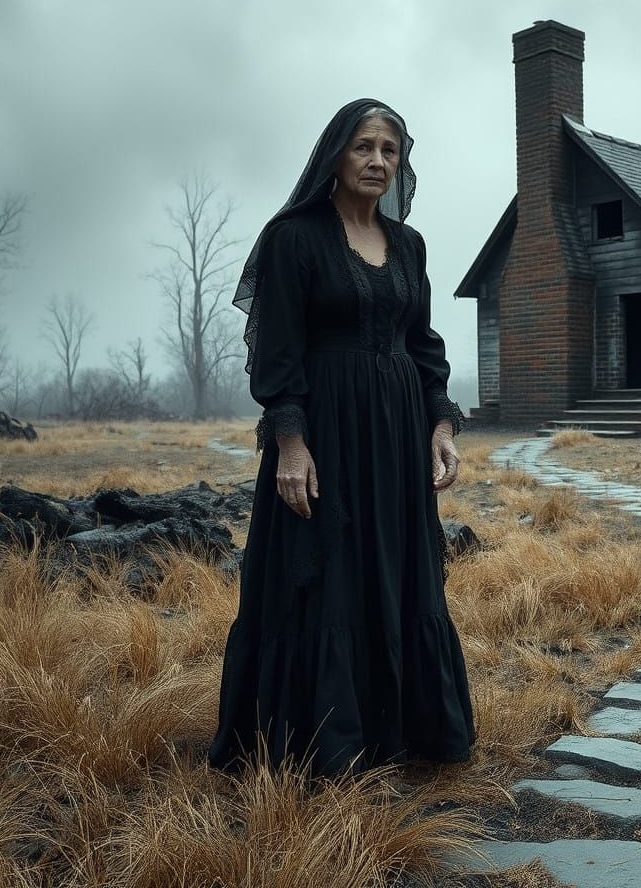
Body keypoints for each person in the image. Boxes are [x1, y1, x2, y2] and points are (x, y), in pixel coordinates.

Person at [207, 98, 477, 780]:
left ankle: (404, 730)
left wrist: (440, 423)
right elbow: (278, 356)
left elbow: (423, 345)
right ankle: (326, 742)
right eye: (365, 146)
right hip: (325, 434)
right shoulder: (294, 238)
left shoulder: (409, 245)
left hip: (396, 440)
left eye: (391, 149)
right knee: (325, 574)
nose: (378, 160)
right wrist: (290, 444)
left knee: (396, 571)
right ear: (336, 153)